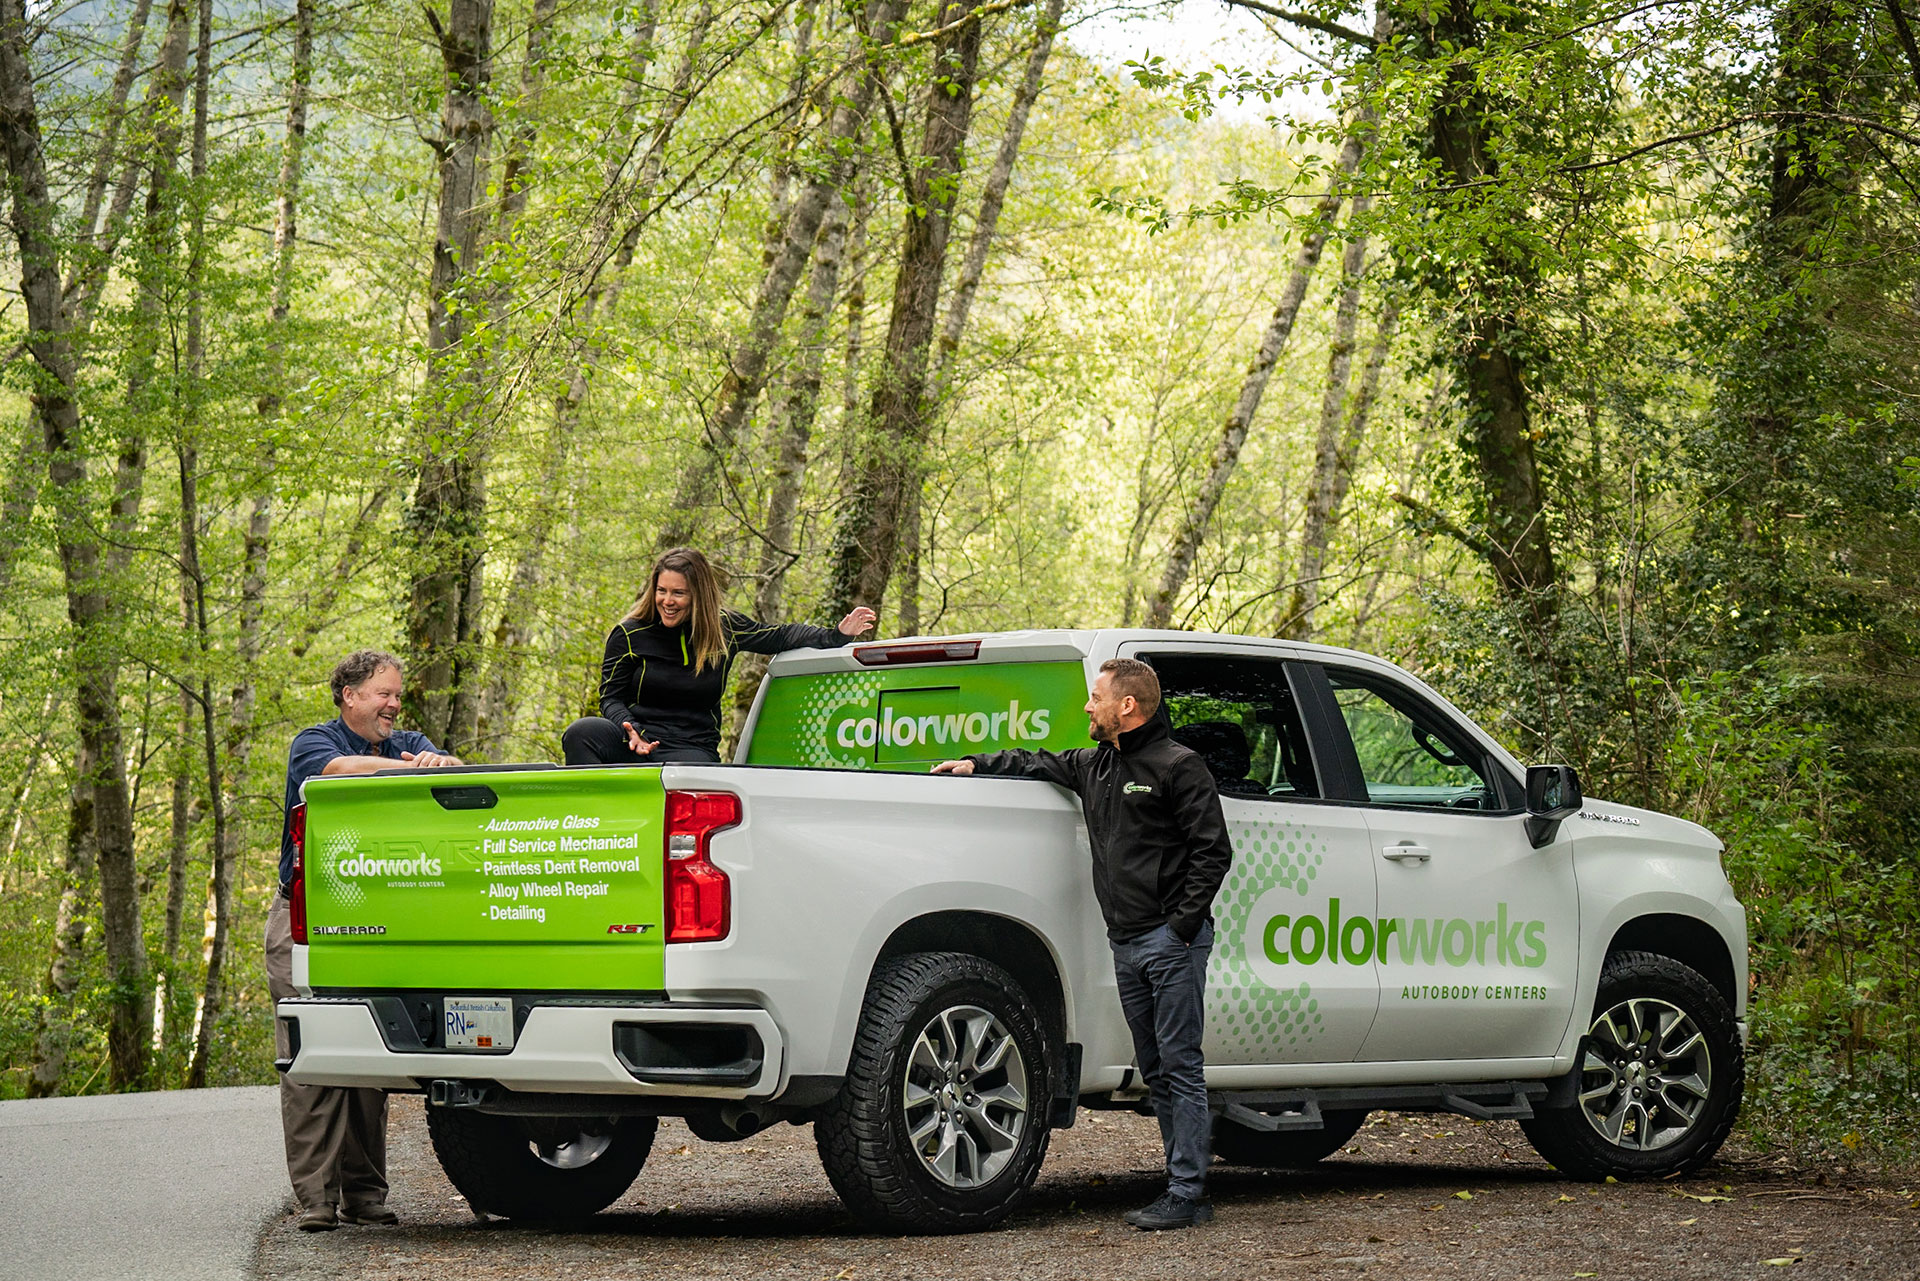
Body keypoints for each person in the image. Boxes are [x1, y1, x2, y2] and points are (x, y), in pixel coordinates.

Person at [932, 658, 1231, 1230]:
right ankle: (1183, 1181)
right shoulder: (1095, 764)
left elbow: (1212, 851)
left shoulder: (1178, 766)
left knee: (1180, 1064)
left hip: (1171, 943)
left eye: (1097, 697)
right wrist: (976, 763)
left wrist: (1180, 926)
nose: (1088, 707)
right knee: (1156, 1069)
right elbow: (1034, 760)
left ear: (1127, 705)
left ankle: (1187, 1193)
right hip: (1127, 943)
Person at [267, 650, 461, 1232]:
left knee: (368, 1057)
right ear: (350, 695)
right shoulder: (315, 741)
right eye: (384, 694)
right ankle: (316, 1200)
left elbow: (452, 772)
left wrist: (440, 762)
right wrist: (413, 769)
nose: (394, 704)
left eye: (398, 695)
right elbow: (338, 773)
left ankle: (365, 1196)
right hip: (304, 923)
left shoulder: (409, 742)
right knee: (312, 1059)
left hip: (376, 923)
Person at [563, 546, 876, 764]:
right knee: (582, 732)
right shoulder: (630, 633)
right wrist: (630, 728)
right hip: (636, 740)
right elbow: (610, 697)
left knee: (685, 775)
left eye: (678, 593)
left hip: (690, 748)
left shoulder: (725, 628)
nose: (667, 601)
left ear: (698, 595)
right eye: (661, 591)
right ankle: (590, 821)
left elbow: (779, 635)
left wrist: (836, 635)